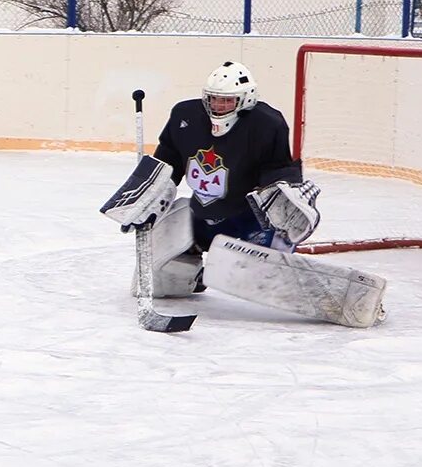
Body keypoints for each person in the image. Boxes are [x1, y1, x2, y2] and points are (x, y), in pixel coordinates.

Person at [100, 61, 385, 327]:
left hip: (248, 222)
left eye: (226, 100)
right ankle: (194, 274)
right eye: (213, 98)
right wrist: (142, 199)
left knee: (251, 272)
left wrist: (288, 194)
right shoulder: (184, 116)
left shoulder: (266, 123)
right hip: (200, 216)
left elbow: (277, 169)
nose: (218, 106)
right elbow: (167, 162)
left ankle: (345, 295)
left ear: (246, 99)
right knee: (153, 285)